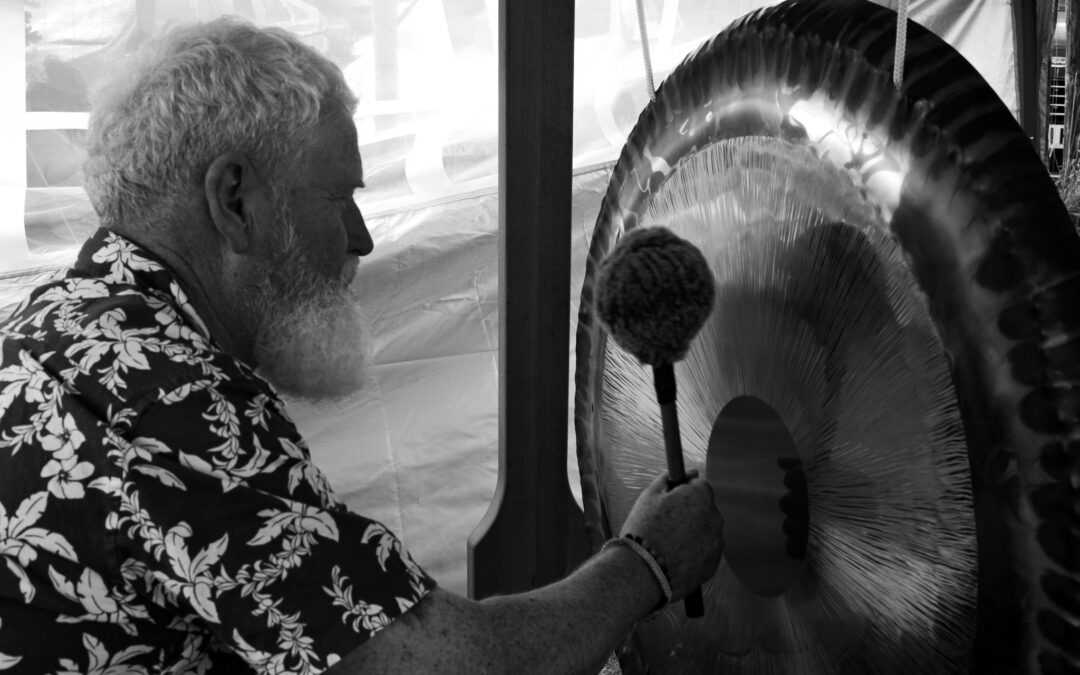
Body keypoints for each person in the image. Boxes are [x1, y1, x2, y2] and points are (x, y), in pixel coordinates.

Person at [0, 18, 724, 674]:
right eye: (338, 197)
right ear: (236, 200)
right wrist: (646, 563)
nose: (361, 237)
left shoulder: (51, 328)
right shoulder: (168, 397)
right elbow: (446, 670)